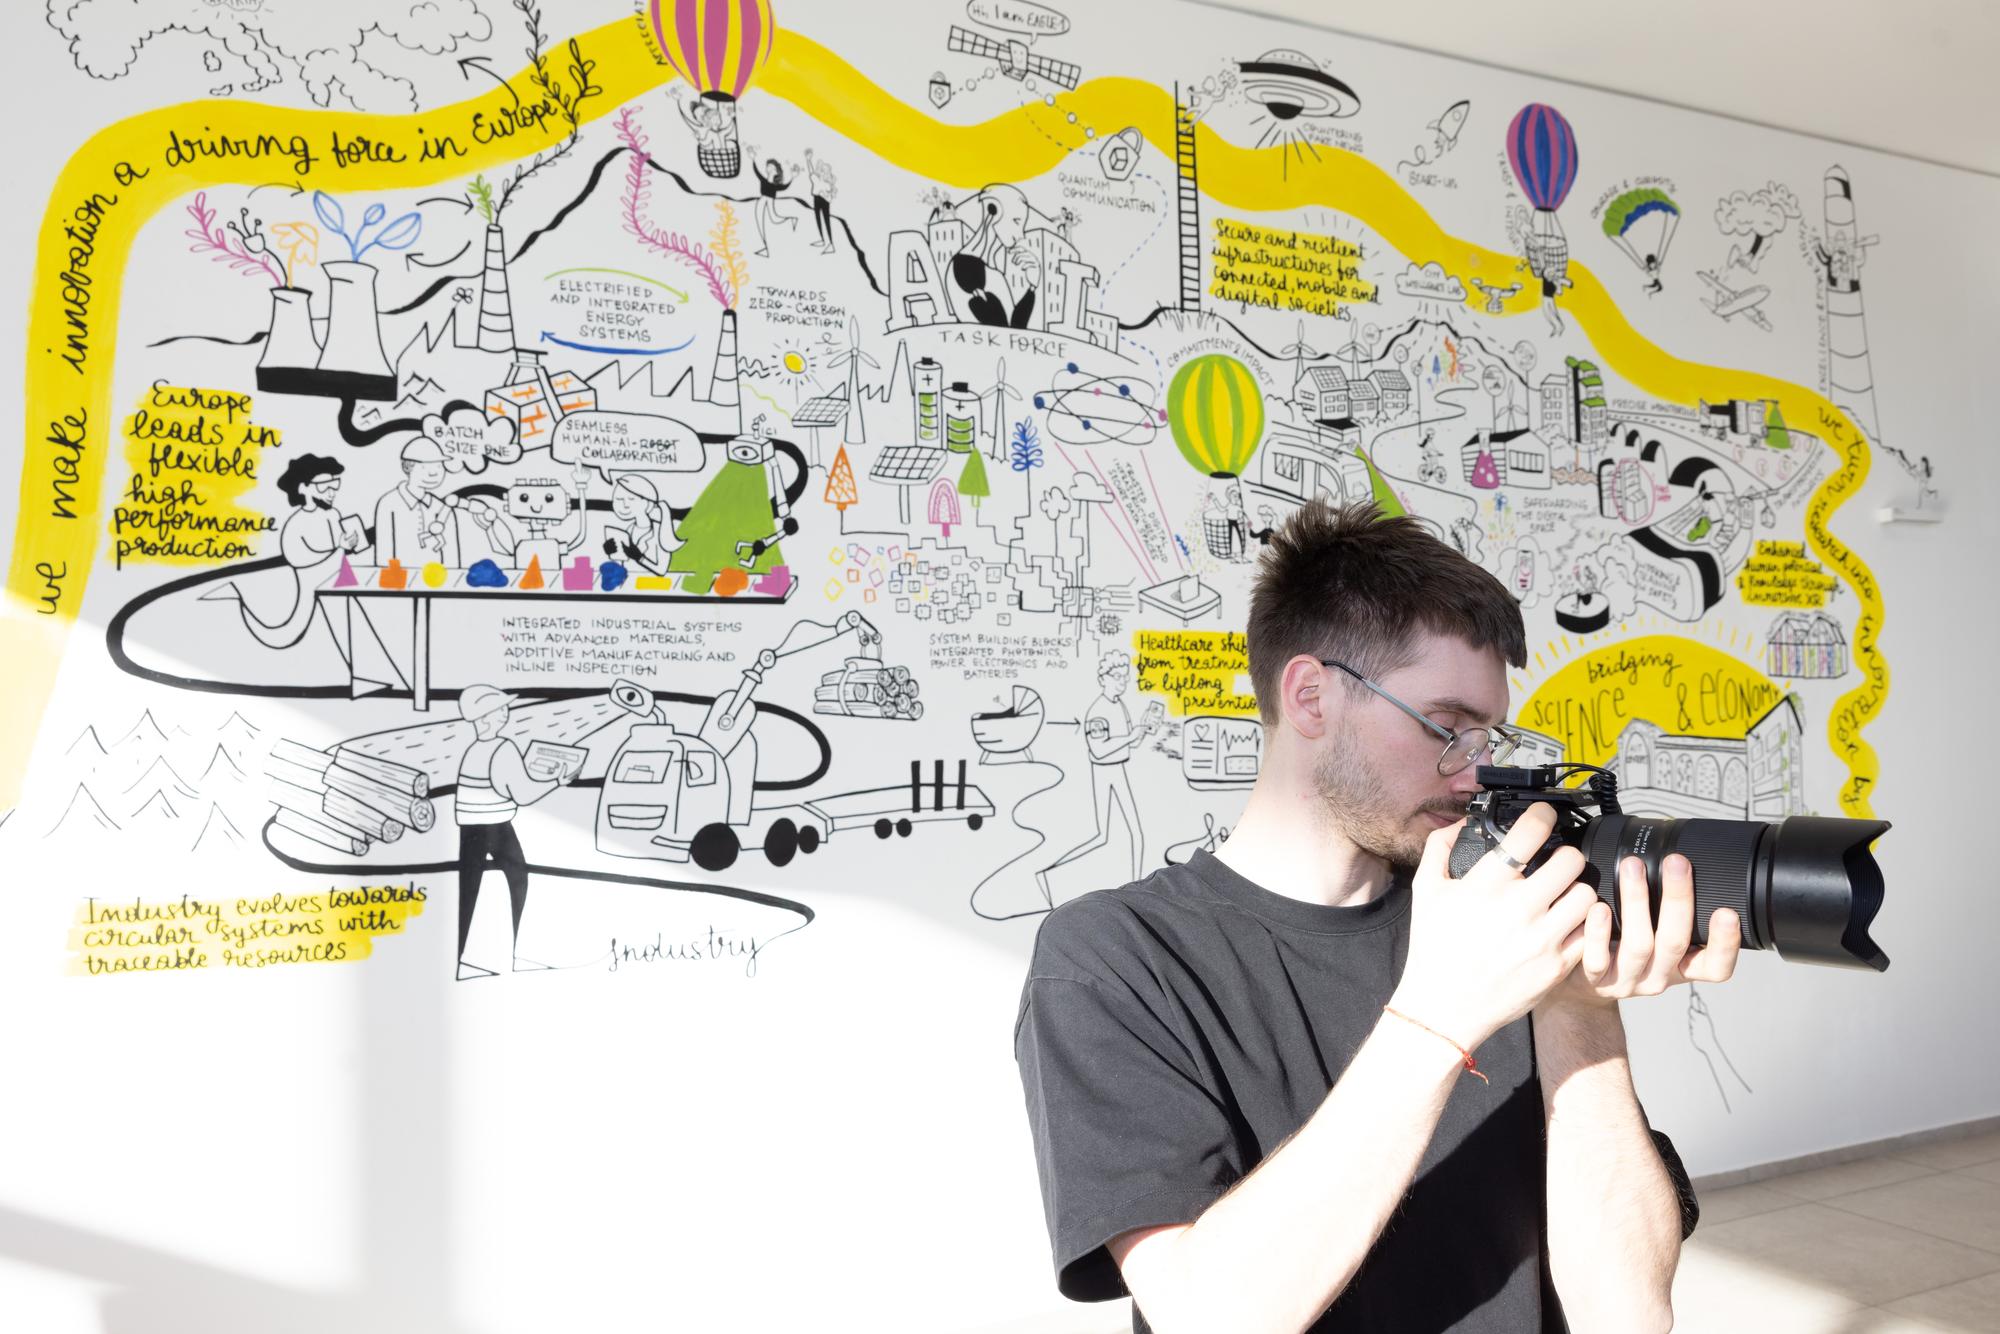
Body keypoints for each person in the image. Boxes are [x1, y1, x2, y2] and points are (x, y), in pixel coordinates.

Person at [1016, 499, 1740, 1333]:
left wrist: (1579, 1011)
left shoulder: (1498, 918)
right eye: (1448, 727)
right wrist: (1442, 1014)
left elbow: (1628, 1314)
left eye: (1488, 738)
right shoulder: (1115, 957)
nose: (1475, 774)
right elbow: (1208, 1314)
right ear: (1311, 697)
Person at [453, 684, 568, 980]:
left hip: (469, 828)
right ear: (484, 718)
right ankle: (515, 952)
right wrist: (557, 780)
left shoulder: (474, 750)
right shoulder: (502, 748)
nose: (505, 713)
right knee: (519, 881)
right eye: (499, 709)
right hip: (495, 825)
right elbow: (523, 793)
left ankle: (462, 960)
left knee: (467, 892)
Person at [216, 452, 364, 656]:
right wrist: (340, 549)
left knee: (357, 628)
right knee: (297, 633)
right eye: (323, 486)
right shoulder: (296, 525)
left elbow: (340, 551)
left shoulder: (333, 514)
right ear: (303, 488)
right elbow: (304, 564)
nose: (331, 492)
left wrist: (351, 545)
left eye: (334, 485)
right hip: (318, 586)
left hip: (343, 581)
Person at [1036, 651, 1156, 898]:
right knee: (1102, 835)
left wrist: (1141, 731)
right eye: (1117, 676)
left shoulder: (1119, 705)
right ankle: (1050, 874)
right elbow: (1099, 750)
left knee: (1134, 832)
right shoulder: (1098, 711)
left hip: (1118, 768)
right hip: (1104, 771)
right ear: (1104, 678)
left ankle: (1137, 892)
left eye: (1125, 676)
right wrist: (1130, 737)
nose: (1123, 681)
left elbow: (1129, 744)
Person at [372, 436, 460, 566]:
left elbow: (452, 558)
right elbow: (384, 553)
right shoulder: (388, 503)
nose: (434, 473)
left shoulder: (443, 508)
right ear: (407, 467)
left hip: (436, 577)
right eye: (424, 466)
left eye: (439, 466)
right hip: (398, 577)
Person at [601, 473, 683, 576]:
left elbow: (661, 570)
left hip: (654, 583)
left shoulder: (660, 531)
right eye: (619, 499)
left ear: (646, 503)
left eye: (631, 499)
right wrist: (613, 553)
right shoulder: (629, 530)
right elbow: (625, 563)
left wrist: (639, 558)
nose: (625, 505)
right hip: (631, 581)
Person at [747, 152, 801, 257]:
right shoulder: (763, 180)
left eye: (772, 167)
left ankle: (791, 219)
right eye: (768, 166)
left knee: (774, 218)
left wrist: (792, 178)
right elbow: (756, 171)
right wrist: (753, 159)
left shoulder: (776, 185)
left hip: (769, 200)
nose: (769, 168)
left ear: (776, 171)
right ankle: (764, 247)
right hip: (762, 200)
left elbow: (785, 187)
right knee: (759, 220)